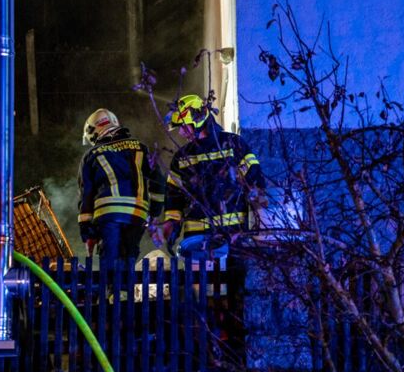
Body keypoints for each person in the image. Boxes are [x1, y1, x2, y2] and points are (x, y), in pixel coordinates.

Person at [161, 94, 266, 258]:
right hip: (196, 240)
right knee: (200, 276)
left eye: (183, 126)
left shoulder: (233, 144)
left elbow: (255, 181)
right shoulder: (181, 158)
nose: (181, 132)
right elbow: (174, 197)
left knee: (234, 275)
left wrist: (259, 224)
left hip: (233, 237)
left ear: (198, 120)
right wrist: (171, 225)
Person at [77, 108, 164, 261]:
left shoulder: (91, 155)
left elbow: (86, 197)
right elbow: (159, 183)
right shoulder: (141, 148)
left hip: (108, 216)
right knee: (128, 260)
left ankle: (112, 277)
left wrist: (88, 234)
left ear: (93, 132)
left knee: (110, 263)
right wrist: (154, 214)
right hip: (137, 215)